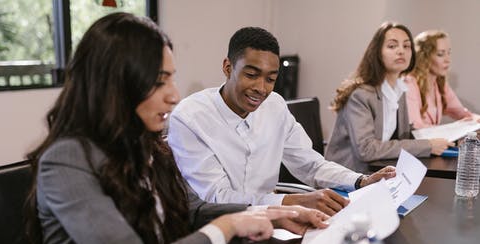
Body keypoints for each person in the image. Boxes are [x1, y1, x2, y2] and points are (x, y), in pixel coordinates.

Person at [24, 13, 330, 244]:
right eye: (159, 82)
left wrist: (266, 214)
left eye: (171, 78)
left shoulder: (148, 145)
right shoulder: (67, 160)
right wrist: (228, 227)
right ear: (115, 84)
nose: (174, 95)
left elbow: (192, 210)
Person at [167, 26, 396, 216]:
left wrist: (360, 181)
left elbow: (310, 164)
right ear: (228, 68)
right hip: (218, 226)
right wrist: (290, 202)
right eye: (251, 75)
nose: (261, 88)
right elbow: (218, 198)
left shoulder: (275, 106)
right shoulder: (190, 118)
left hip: (272, 220)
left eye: (270, 79)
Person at [325, 22, 453, 173]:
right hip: (349, 177)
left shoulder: (399, 89)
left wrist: (442, 138)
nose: (401, 51)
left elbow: (403, 135)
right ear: (377, 53)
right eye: (392, 46)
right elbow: (366, 149)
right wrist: (428, 145)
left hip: (380, 173)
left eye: (406, 46)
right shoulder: (361, 95)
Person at [405, 30, 478, 129]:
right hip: (418, 143)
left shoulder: (440, 84)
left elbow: (463, 113)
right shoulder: (408, 83)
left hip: (435, 143)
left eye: (449, 53)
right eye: (440, 54)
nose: (448, 60)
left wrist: (476, 120)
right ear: (423, 57)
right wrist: (453, 129)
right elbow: (416, 127)